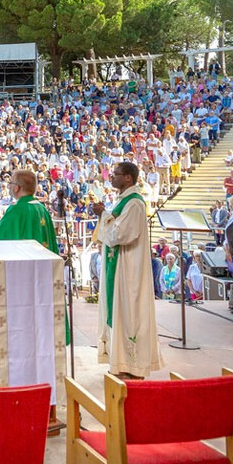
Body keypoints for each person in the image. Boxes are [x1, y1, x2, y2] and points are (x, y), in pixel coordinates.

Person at [92, 161, 161, 379]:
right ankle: (121, 363)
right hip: (119, 266)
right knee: (120, 313)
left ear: (128, 178)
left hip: (129, 269)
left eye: (116, 174)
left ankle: (134, 366)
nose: (111, 177)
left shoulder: (135, 204)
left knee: (130, 314)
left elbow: (119, 235)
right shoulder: (124, 201)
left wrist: (103, 214)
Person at [0, 168, 59, 253]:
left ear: (17, 188)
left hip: (26, 263)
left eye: (11, 183)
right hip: (44, 262)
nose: (9, 186)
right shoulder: (43, 209)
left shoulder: (17, 209)